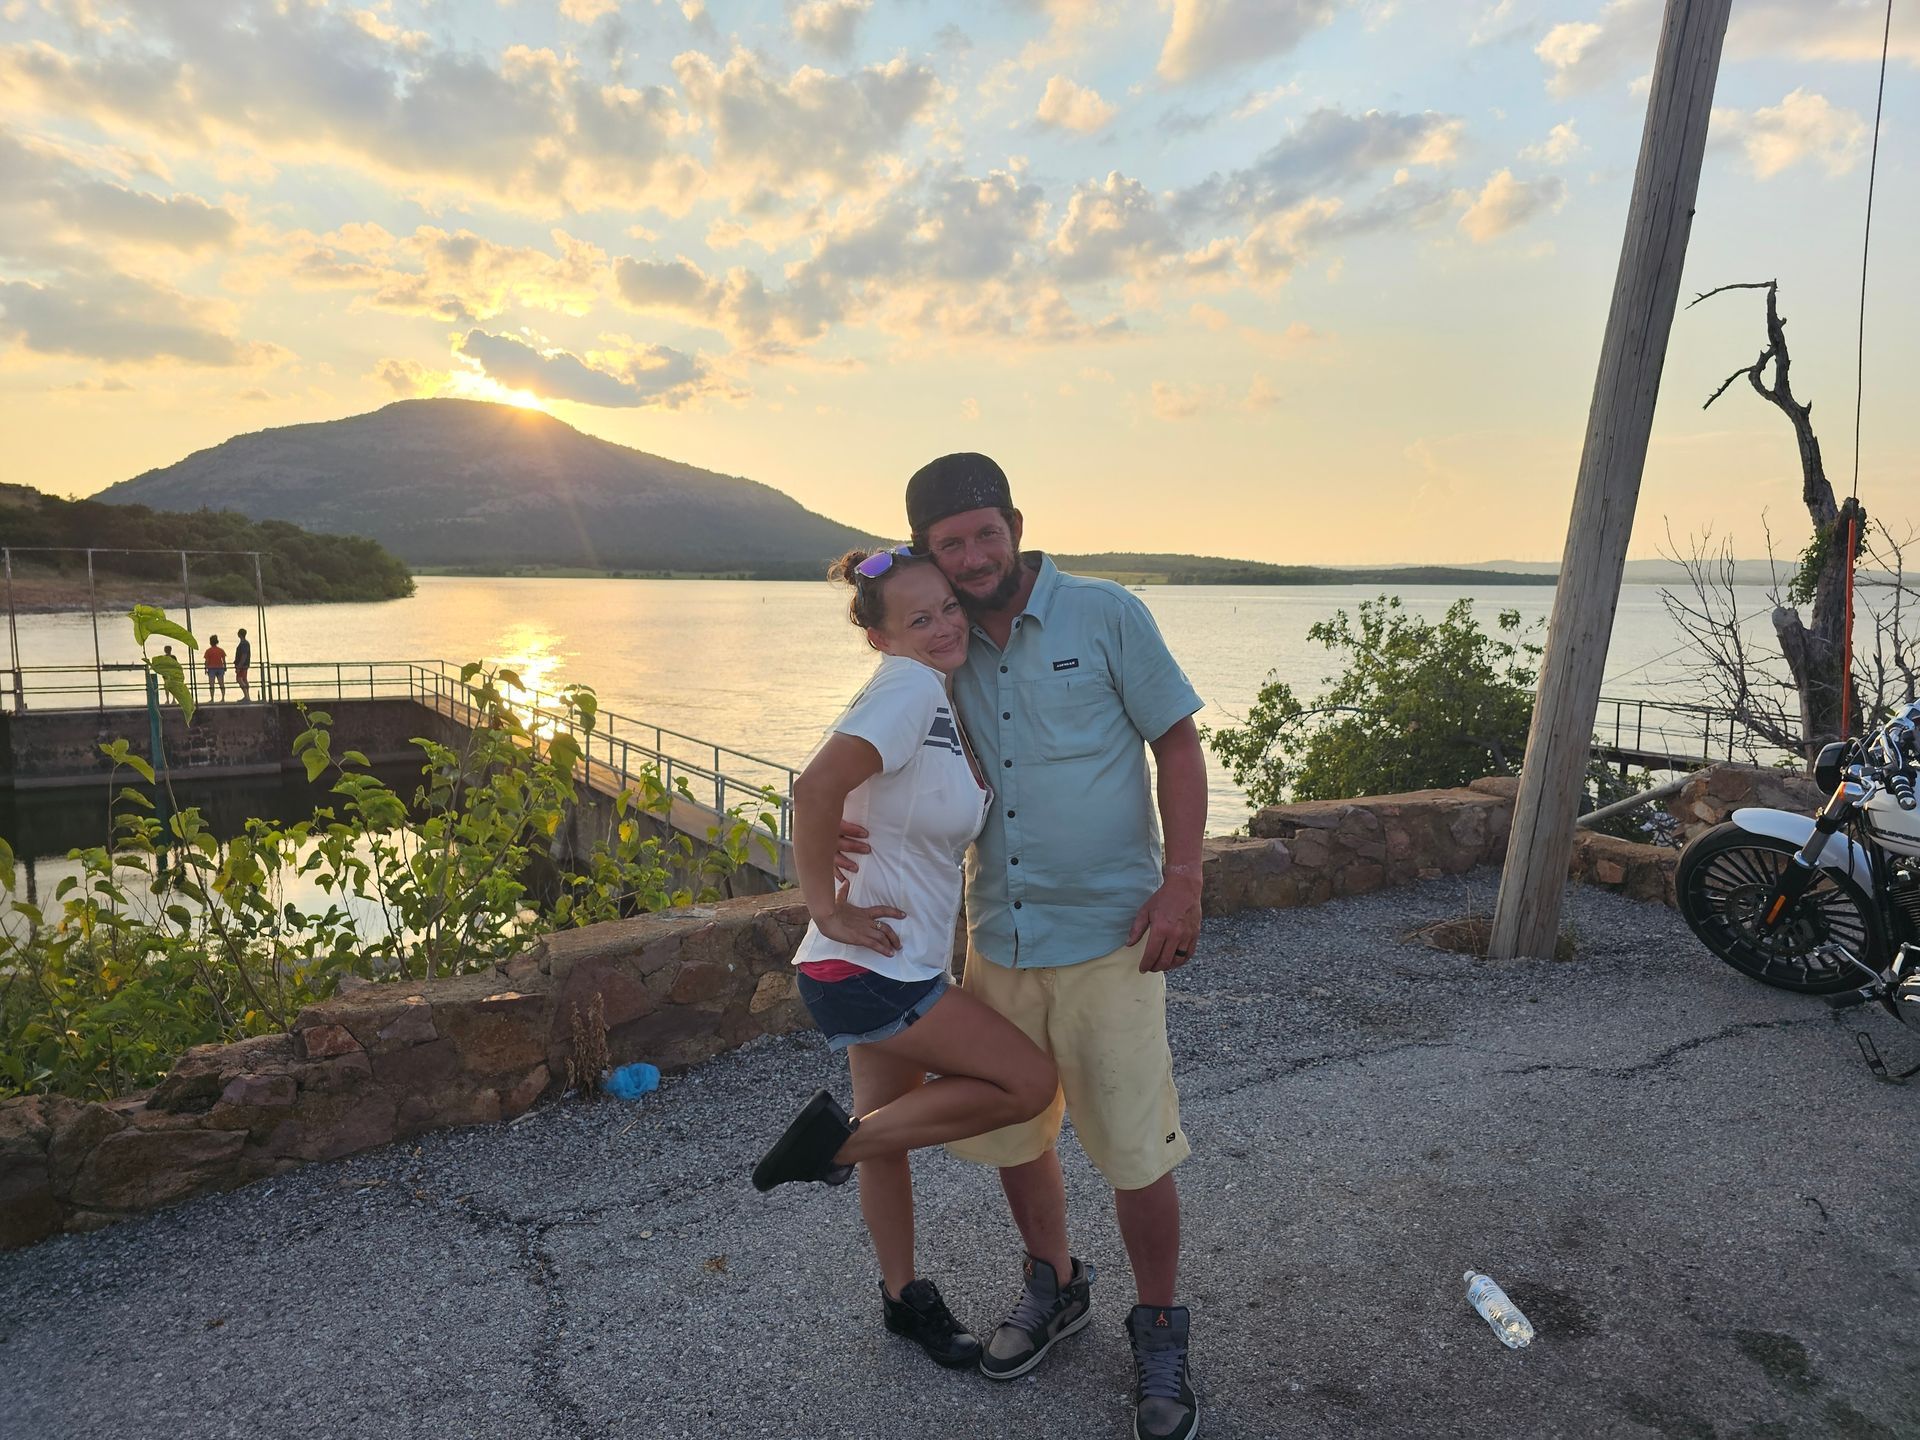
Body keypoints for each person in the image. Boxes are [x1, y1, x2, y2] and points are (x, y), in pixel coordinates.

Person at [892, 453, 1208, 1440]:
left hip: (1113, 938)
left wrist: (1186, 881)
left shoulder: (1108, 612)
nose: (975, 555)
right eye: (952, 544)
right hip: (1000, 939)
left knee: (1133, 1147)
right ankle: (1055, 1284)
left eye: (987, 533)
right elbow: (891, 761)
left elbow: (1180, 745)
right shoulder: (936, 650)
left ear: (1016, 525)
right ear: (929, 556)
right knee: (1015, 1134)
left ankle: (1159, 1325)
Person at [753, 545, 1059, 1373]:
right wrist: (825, 904)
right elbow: (815, 787)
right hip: (868, 968)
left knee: (890, 1133)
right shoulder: (910, 685)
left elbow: (839, 789)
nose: (944, 626)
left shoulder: (929, 695)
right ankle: (828, 1149)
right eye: (918, 619)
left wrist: (848, 819)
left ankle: (901, 1299)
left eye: (948, 607)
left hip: (888, 966)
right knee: (1029, 1084)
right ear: (882, 638)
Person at [203, 636, 227, 701]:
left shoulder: (208, 651)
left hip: (211, 668)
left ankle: (212, 698)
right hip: (220, 668)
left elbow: (207, 661)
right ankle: (223, 698)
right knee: (221, 683)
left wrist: (205, 668)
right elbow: (224, 660)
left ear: (210, 642)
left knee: (211, 684)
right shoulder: (221, 650)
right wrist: (225, 667)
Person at [233, 628, 252, 702]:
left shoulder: (244, 643)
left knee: (239, 679)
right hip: (245, 664)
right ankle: (247, 696)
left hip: (243, 665)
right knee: (244, 679)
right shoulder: (244, 643)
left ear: (239, 634)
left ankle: (246, 696)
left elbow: (244, 655)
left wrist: (239, 666)